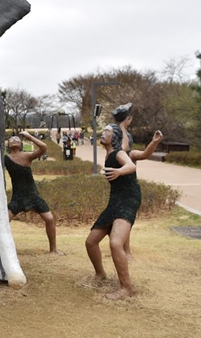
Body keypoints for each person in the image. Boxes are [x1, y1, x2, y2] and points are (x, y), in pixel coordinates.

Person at [84, 123, 138, 299]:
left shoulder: (119, 153)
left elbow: (131, 166)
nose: (103, 132)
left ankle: (126, 288)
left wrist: (119, 171)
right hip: (115, 201)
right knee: (91, 242)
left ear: (114, 136)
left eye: (107, 131)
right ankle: (100, 274)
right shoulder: (108, 155)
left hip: (128, 199)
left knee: (115, 243)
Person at [113, 103, 164, 260]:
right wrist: (122, 124)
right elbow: (119, 145)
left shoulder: (130, 155)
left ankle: (126, 251)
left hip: (129, 192)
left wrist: (154, 142)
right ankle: (121, 248)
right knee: (118, 220)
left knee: (125, 220)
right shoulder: (114, 154)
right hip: (116, 192)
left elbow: (144, 154)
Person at [5, 131, 64, 255]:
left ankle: (53, 249)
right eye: (11, 139)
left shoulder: (27, 156)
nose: (14, 140)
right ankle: (4, 250)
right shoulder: (6, 159)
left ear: (21, 143)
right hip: (17, 197)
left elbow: (43, 148)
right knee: (3, 222)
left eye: (17, 139)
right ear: (8, 144)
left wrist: (30, 137)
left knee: (49, 218)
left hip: (32, 194)